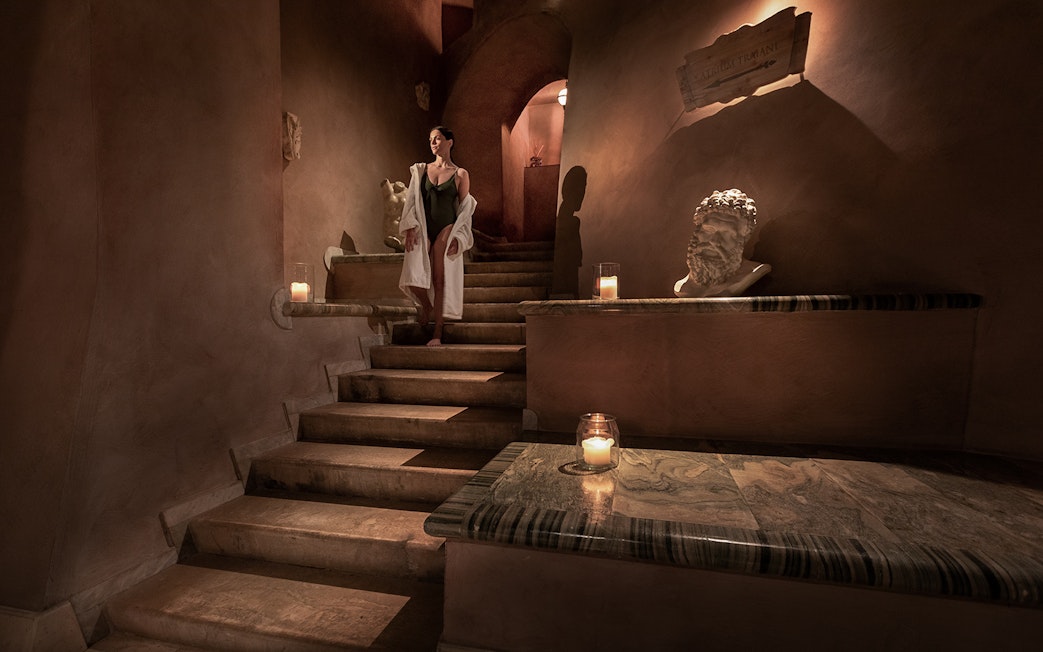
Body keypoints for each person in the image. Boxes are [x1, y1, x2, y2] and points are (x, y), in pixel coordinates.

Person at [398, 126, 476, 346]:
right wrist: (410, 226)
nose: (433, 143)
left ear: (450, 142)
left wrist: (459, 239)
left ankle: (437, 333)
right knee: (412, 276)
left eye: (438, 138)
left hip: (446, 227)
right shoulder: (421, 170)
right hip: (423, 226)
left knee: (439, 280)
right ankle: (428, 306)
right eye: (431, 139)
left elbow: (465, 210)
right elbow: (412, 201)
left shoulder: (460, 174)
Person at [673, 188, 770, 297]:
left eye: (726, 234)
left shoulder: (752, 273)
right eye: (709, 230)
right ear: (697, 231)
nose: (714, 241)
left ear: (742, 240)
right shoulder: (683, 286)